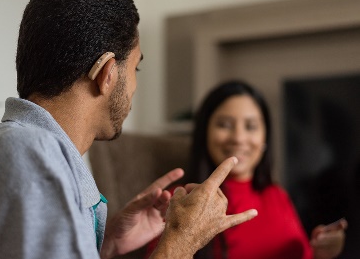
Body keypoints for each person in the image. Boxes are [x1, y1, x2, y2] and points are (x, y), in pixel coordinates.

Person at [0, 0, 258, 259]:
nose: (134, 86)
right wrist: (181, 241)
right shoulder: (30, 152)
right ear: (106, 73)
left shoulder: (31, 151)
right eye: (136, 68)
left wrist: (105, 242)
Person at [147, 80, 347, 259]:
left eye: (251, 126)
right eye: (224, 124)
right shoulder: (181, 199)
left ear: (264, 139)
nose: (239, 138)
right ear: (204, 133)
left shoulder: (277, 195)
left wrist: (322, 252)